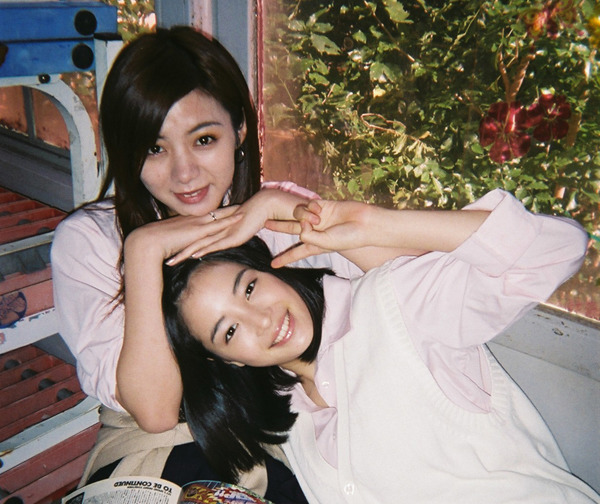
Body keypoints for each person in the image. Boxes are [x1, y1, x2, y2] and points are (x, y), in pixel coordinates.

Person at [50, 26, 359, 499]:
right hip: (155, 453)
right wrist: (143, 252)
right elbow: (155, 412)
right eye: (155, 148)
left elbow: (398, 287)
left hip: (274, 446)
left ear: (239, 130)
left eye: (204, 139)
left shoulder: (274, 214)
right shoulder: (91, 240)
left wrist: (277, 204)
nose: (184, 173)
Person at [162, 189, 600, 503]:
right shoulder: (291, 425)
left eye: (250, 288)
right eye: (230, 332)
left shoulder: (395, 305)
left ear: (274, 269)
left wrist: (376, 224)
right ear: (228, 362)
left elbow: (557, 250)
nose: (262, 320)